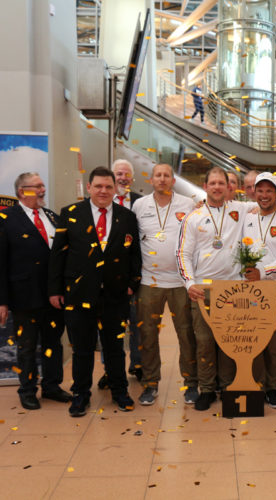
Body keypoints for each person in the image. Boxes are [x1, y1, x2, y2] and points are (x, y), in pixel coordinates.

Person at [177, 167, 276, 411]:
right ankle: (207, 389)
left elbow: (265, 198)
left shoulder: (240, 211)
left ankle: (230, 386)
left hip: (234, 289)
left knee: (232, 339)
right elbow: (183, 253)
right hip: (204, 288)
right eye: (213, 183)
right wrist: (189, 283)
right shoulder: (193, 217)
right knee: (205, 341)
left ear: (229, 188)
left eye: (222, 183)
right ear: (205, 186)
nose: (217, 187)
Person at [48, 167, 142, 417]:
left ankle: (120, 391)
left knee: (115, 347)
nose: (103, 191)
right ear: (88, 188)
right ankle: (80, 395)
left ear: (115, 189)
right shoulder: (69, 214)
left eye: (108, 187)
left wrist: (133, 282)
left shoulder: (127, 217)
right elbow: (58, 255)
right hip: (79, 294)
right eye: (98, 186)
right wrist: (55, 290)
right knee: (82, 348)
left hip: (115, 294)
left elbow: (134, 254)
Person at [0, 173, 71, 410]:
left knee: (53, 343)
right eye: (37, 186)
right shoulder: (4, 218)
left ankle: (52, 386)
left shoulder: (53, 217)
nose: (42, 189)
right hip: (23, 296)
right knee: (27, 345)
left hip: (54, 296)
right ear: (22, 191)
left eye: (43, 185)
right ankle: (27, 390)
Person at [131, 164, 196, 406]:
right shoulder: (139, 206)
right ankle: (150, 383)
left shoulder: (187, 205)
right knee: (147, 334)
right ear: (151, 179)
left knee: (186, 334)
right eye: (158, 175)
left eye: (166, 175)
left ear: (173, 180)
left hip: (181, 281)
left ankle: (191, 383)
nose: (162, 179)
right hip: (149, 281)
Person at [241, 172, 276, 409]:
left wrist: (263, 272)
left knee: (275, 343)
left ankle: (273, 388)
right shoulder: (248, 217)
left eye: (269, 191)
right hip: (251, 291)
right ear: (254, 192)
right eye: (260, 191)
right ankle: (256, 384)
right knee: (254, 340)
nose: (264, 195)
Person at [95, 159, 143, 390]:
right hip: (107, 281)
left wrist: (134, 278)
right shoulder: (99, 203)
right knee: (109, 329)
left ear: (132, 178)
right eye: (118, 174)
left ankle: (138, 364)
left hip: (134, 275)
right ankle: (109, 370)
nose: (123, 177)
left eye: (126, 174)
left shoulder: (142, 203)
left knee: (137, 324)